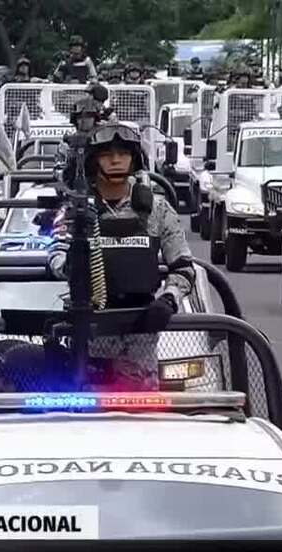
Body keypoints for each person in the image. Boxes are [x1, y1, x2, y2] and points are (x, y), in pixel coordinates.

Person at [43, 121, 195, 390]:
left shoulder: (157, 210)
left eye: (123, 154)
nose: (116, 161)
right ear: (93, 161)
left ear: (134, 158)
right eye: (107, 155)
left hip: (141, 344)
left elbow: (183, 267)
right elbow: (56, 258)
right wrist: (76, 260)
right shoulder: (76, 210)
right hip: (89, 341)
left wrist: (168, 300)